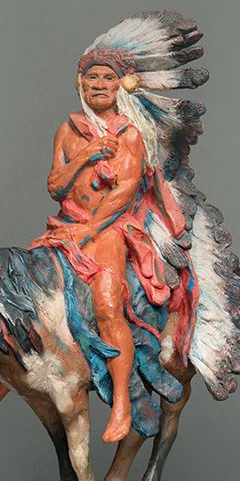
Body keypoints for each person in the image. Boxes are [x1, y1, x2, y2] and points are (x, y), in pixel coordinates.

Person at [30, 47, 190, 443]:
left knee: (106, 305)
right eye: (92, 78)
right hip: (66, 225)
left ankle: (121, 401)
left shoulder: (129, 134)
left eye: (108, 78)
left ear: (122, 85)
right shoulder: (67, 131)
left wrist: (91, 230)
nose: (99, 85)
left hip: (109, 230)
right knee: (30, 291)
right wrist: (85, 156)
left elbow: (123, 191)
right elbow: (55, 185)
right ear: (80, 83)